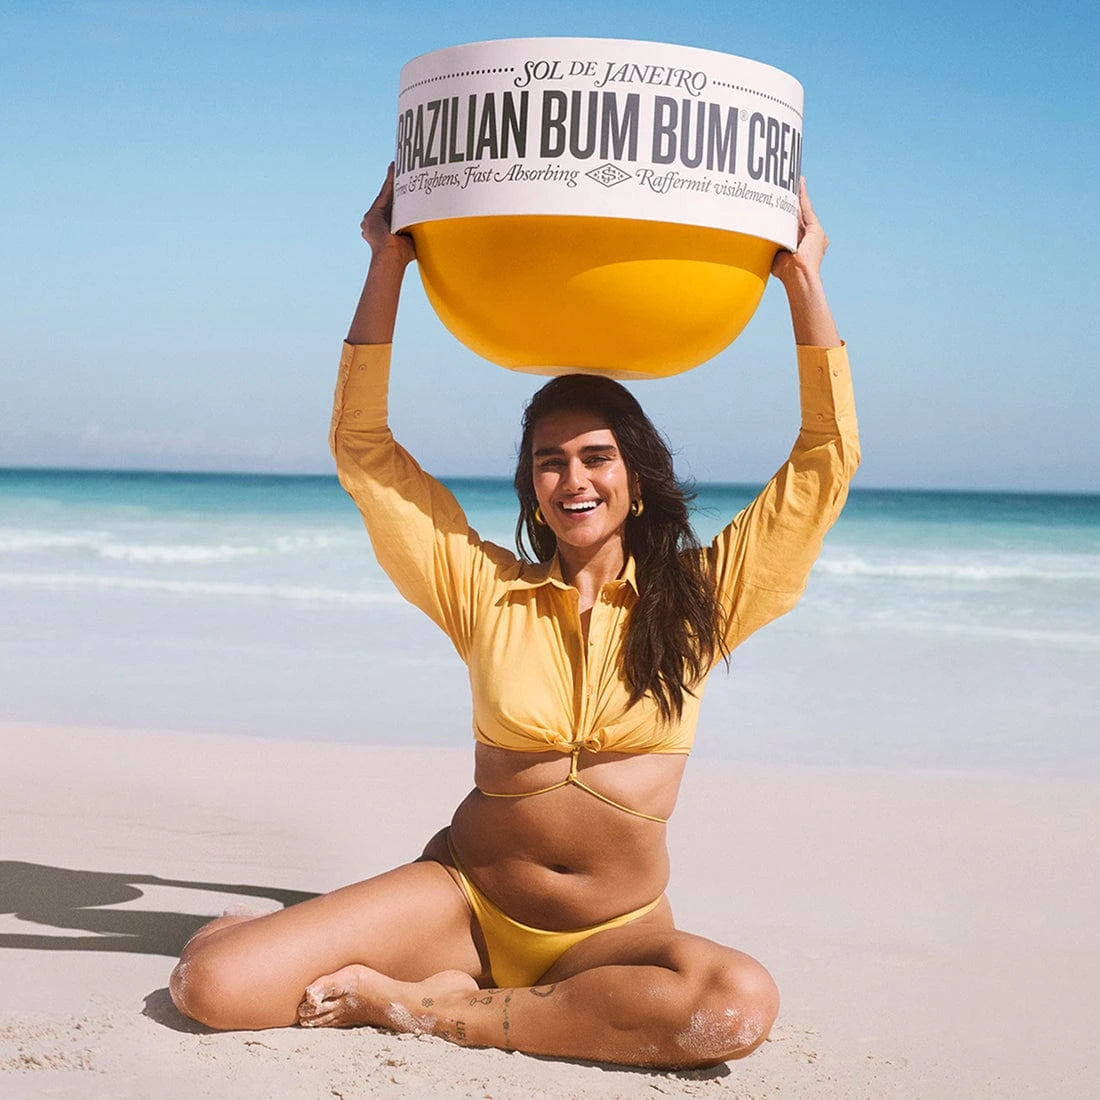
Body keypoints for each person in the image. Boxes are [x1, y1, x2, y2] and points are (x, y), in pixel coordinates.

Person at [169, 165, 859, 1070]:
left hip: (608, 933)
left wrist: (803, 278)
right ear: (532, 487)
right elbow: (365, 453)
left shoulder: (701, 601)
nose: (573, 480)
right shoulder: (482, 589)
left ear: (638, 477)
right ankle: (460, 990)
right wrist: (389, 264)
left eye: (596, 457)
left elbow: (824, 462)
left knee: (735, 1005)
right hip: (462, 902)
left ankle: (430, 1013)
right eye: (549, 462)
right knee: (211, 988)